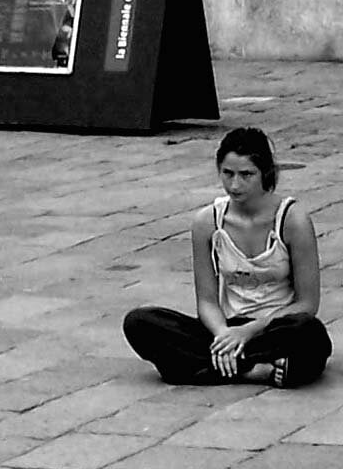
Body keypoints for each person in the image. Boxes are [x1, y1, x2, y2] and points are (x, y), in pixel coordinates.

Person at [123, 127, 332, 387]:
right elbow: (207, 301)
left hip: (275, 327)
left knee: (311, 334)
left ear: (265, 173)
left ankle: (203, 369)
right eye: (228, 174)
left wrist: (247, 332)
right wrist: (224, 335)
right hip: (226, 328)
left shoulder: (292, 219)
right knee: (140, 323)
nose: (235, 184)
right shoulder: (207, 221)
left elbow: (307, 303)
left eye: (246, 175)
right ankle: (254, 369)